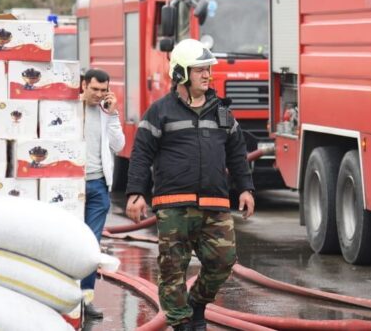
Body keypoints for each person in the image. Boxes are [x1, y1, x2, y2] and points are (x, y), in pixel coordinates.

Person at [125, 39, 255, 331]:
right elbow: (141, 152)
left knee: (223, 261)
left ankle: (196, 304)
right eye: (200, 70)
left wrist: (246, 188)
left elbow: (236, 152)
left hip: (215, 203)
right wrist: (136, 193)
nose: (207, 75)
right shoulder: (160, 112)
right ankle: (182, 323)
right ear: (181, 73)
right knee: (173, 269)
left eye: (208, 70)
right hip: (173, 206)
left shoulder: (222, 112)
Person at [81, 68, 125, 319]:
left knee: (90, 245)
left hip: (98, 185)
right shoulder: (71, 108)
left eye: (103, 90)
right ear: (84, 85)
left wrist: (113, 114)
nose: (98, 95)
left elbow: (119, 145)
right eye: (94, 89)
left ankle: (86, 299)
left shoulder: (106, 113)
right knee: (65, 241)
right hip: (71, 186)